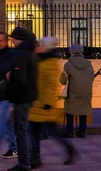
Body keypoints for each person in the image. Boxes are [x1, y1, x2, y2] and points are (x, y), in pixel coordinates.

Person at [28, 37, 76, 168]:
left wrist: (48, 102)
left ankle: (69, 150)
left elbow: (52, 85)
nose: (39, 47)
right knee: (35, 132)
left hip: (45, 105)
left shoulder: (51, 62)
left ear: (47, 47)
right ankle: (35, 158)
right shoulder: (41, 59)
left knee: (49, 132)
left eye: (42, 45)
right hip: (37, 103)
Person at [6, 27, 38, 171]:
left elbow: (20, 79)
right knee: (26, 129)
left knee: (21, 131)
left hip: (22, 96)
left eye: (13, 38)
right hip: (29, 95)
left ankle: (24, 163)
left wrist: (9, 83)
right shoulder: (30, 53)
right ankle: (32, 159)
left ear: (18, 39)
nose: (11, 40)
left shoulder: (20, 54)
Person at [0, 32, 17, 159]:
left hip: (4, 94)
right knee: (5, 124)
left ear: (6, 42)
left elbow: (2, 69)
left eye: (0, 40)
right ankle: (14, 148)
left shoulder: (10, 54)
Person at [60, 43, 94, 138]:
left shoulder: (68, 64)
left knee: (70, 111)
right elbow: (92, 78)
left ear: (71, 51)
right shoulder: (89, 65)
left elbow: (63, 80)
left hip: (72, 91)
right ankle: (82, 131)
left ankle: (69, 131)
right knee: (83, 111)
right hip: (86, 91)